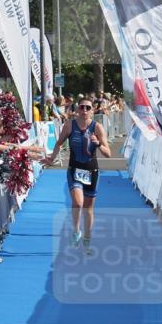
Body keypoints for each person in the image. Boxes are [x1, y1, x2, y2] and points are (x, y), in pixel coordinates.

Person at [45, 97, 111, 248]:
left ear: (93, 111)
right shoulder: (69, 125)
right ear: (77, 110)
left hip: (91, 171)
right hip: (74, 169)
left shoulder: (97, 127)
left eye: (88, 108)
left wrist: (98, 144)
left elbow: (108, 153)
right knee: (78, 202)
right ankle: (76, 231)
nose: (85, 111)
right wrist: (51, 159)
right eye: (82, 107)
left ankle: (87, 237)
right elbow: (59, 143)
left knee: (88, 208)